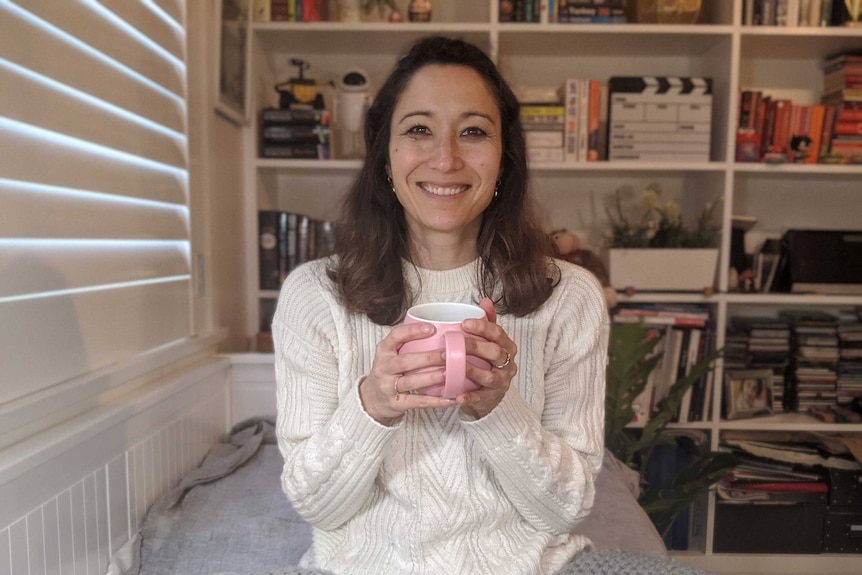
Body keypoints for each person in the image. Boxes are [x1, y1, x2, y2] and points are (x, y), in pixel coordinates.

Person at [272, 36, 609, 575]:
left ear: (504, 158)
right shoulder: (315, 295)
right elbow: (316, 504)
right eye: (419, 130)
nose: (447, 158)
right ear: (386, 155)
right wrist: (373, 403)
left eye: (473, 131)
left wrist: (497, 407)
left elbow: (564, 509)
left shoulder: (568, 297)